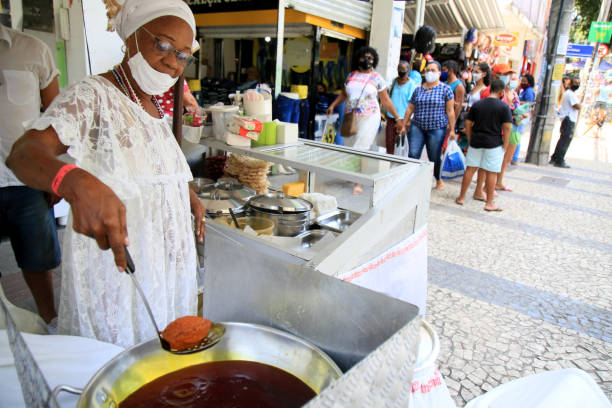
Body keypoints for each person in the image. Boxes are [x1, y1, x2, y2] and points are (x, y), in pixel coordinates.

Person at [6, 0, 206, 348]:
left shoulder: (156, 105)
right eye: (163, 45)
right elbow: (23, 153)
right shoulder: (92, 96)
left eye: (184, 55)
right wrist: (72, 180)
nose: (174, 62)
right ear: (131, 37)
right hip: (117, 268)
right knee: (117, 360)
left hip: (164, 267)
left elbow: (155, 167)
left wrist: (188, 196)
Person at [0, 23, 61, 328]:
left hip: (27, 181)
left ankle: (49, 320)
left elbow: (57, 117)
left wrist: (56, 175)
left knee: (38, 259)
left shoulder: (33, 50)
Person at [327, 46, 401, 194]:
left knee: (361, 148)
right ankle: (353, 174)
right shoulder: (351, 76)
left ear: (374, 60)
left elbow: (385, 100)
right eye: (364, 57)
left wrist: (397, 117)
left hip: (370, 117)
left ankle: (358, 183)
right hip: (351, 117)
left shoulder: (377, 78)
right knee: (350, 147)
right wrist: (333, 105)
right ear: (358, 58)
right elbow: (344, 94)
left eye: (370, 57)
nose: (367, 60)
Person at [455, 79, 512, 212]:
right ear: (502, 92)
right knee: (491, 172)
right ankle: (489, 202)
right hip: (494, 143)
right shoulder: (503, 107)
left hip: (476, 141)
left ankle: (461, 197)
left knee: (470, 169)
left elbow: (468, 123)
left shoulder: (478, 104)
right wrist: (506, 143)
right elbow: (507, 127)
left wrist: (470, 137)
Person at [401, 60, 456, 190]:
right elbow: (410, 108)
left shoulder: (445, 89)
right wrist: (404, 124)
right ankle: (413, 179)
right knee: (413, 154)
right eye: (427, 70)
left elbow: (450, 110)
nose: (429, 73)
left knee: (434, 156)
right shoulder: (418, 89)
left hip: (437, 128)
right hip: (417, 126)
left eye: (433, 70)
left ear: (439, 73)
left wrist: (452, 129)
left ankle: (438, 178)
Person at [495, 71, 520, 192]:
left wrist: (521, 114)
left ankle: (498, 182)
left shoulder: (514, 94)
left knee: (506, 159)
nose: (512, 80)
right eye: (511, 78)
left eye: (514, 78)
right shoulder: (501, 94)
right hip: (502, 129)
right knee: (498, 158)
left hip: (513, 128)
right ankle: (490, 184)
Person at [385, 60, 417, 154]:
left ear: (408, 70)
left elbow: (412, 104)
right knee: (389, 142)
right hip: (391, 117)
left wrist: (408, 120)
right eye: (399, 68)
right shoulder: (394, 81)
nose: (400, 71)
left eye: (403, 69)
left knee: (399, 144)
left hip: (403, 118)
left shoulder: (411, 84)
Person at [550, 77, 581, 168]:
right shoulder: (570, 94)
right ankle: (559, 160)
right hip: (568, 119)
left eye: (578, 83)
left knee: (563, 139)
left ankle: (555, 158)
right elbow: (576, 106)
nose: (577, 85)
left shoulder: (570, 93)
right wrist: (580, 106)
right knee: (565, 140)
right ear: (570, 83)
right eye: (575, 82)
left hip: (568, 119)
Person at [442, 60, 465, 126]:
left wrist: (452, 123)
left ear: (451, 71)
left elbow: (458, 106)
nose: (443, 72)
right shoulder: (445, 83)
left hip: (448, 118)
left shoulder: (458, 86)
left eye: (444, 70)